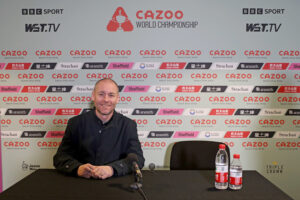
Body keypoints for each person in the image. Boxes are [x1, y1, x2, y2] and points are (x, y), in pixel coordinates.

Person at [53, 78, 145, 179]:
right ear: (93, 96)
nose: (106, 99)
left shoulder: (128, 125)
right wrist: (77, 168)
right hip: (80, 184)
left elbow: (138, 159)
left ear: (117, 98)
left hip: (115, 185)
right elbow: (60, 158)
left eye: (111, 95)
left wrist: (112, 169)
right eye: (101, 94)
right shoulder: (75, 123)